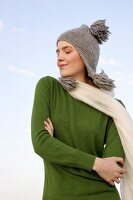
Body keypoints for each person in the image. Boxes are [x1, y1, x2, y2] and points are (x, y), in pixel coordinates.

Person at [31, 20, 133, 200]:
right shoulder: (49, 88)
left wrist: (56, 146)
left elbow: (112, 169)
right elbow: (41, 143)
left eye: (67, 51)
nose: (59, 57)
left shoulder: (113, 108)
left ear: (86, 56)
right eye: (57, 51)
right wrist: (97, 163)